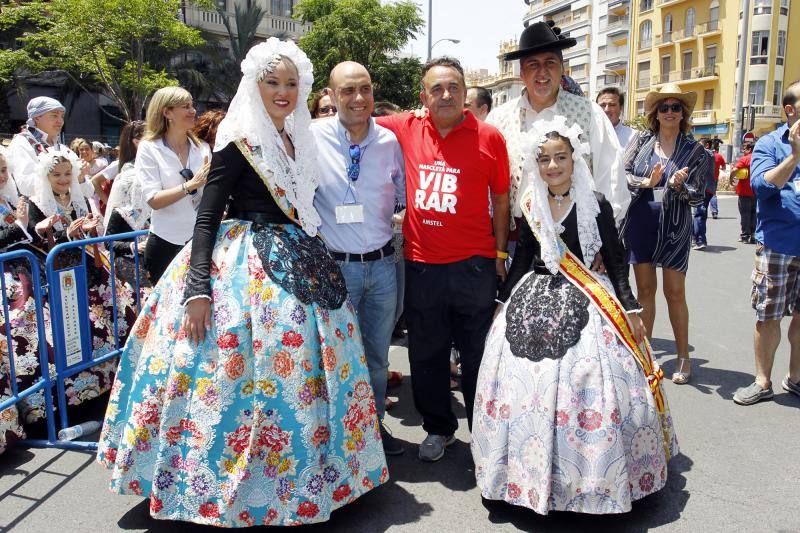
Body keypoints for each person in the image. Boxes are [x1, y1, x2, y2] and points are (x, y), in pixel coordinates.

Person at [96, 38, 388, 526]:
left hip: (299, 258)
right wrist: (197, 289)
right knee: (234, 376)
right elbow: (206, 218)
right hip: (244, 263)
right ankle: (224, 484)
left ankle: (313, 476)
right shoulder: (238, 142)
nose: (283, 91)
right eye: (273, 82)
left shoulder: (302, 138)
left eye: (292, 83)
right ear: (255, 86)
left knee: (303, 375)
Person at [472, 117, 677, 515]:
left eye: (560, 157)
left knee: (593, 383)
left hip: (587, 297)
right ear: (536, 164)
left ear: (574, 159)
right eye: (544, 159)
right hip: (533, 297)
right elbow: (523, 261)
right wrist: (501, 302)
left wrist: (631, 308)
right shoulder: (530, 204)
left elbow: (617, 261)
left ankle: (594, 480)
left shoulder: (595, 202)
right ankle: (524, 477)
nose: (552, 166)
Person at [376, 56, 510, 462]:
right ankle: (439, 429)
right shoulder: (406, 126)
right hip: (423, 266)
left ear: (466, 92)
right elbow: (355, 117)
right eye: (437, 88)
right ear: (424, 97)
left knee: (477, 356)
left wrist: (501, 253)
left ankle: (485, 434)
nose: (446, 94)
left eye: (454, 86)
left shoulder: (489, 137)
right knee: (427, 354)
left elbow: (501, 199)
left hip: (475, 265)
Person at [3, 146, 136, 431]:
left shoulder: (80, 198)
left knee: (113, 319)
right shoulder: (36, 203)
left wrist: (88, 229)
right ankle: (70, 401)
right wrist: (59, 233)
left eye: (67, 173)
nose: (63, 180)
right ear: (45, 176)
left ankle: (109, 386)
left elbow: (95, 237)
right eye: (57, 174)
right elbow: (32, 246)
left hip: (87, 272)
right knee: (63, 337)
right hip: (53, 278)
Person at [311, 61, 406, 456]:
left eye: (364, 89)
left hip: (384, 267)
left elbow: (400, 194)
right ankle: (339, 436)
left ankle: (373, 428)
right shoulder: (311, 138)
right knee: (334, 358)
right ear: (331, 96)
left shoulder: (388, 142)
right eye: (347, 91)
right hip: (335, 268)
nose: (357, 98)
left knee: (377, 357)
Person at [487, 21, 629, 223]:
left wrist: (603, 235)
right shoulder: (498, 119)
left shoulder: (589, 113)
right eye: (533, 64)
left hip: (575, 235)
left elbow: (611, 178)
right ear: (522, 74)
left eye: (550, 63)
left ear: (562, 70)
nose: (542, 72)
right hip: (516, 238)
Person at [620, 83, 709, 384]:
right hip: (642, 223)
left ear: (683, 114)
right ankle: (645, 356)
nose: (670, 112)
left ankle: (683, 358)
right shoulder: (642, 142)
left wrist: (680, 185)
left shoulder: (695, 151)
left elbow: (700, 196)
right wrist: (648, 181)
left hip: (675, 228)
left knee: (675, 293)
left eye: (676, 107)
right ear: (655, 114)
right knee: (645, 292)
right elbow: (624, 174)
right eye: (664, 107)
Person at [733, 81, 800, 405]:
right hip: (778, 245)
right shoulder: (770, 144)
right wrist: (795, 156)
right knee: (768, 315)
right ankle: (762, 381)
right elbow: (761, 185)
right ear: (790, 109)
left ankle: (796, 377)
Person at [136, 86, 211, 284]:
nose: (193, 111)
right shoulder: (149, 148)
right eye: (185, 106)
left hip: (200, 241)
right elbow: (154, 200)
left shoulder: (202, 149)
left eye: (192, 105)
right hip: (164, 243)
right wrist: (190, 185)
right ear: (167, 112)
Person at [6, 96, 85, 197]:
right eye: (54, 116)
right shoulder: (22, 142)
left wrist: (81, 177)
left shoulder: (61, 148)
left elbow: (89, 191)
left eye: (62, 116)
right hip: (34, 211)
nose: (60, 121)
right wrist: (71, 178)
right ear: (37, 118)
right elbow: (27, 186)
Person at [103, 121, 151, 288]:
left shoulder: (156, 209)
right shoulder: (121, 212)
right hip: (128, 261)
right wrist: (134, 246)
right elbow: (108, 242)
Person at [692, 139, 725, 250]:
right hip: (709, 188)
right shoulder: (712, 155)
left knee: (699, 213)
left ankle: (700, 240)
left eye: (699, 144)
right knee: (700, 213)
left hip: (702, 188)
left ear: (706, 145)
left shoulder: (704, 154)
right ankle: (695, 238)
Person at [731, 142, 756, 243]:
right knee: (754, 213)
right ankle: (753, 235)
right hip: (757, 191)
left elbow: (735, 170)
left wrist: (730, 179)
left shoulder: (745, 158)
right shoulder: (761, 158)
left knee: (745, 213)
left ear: (749, 149)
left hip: (744, 192)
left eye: (745, 149)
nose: (744, 151)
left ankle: (745, 236)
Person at [597, 86, 635, 151]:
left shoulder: (633, 137)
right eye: (602, 105)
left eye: (612, 105)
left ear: (621, 108)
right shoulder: (587, 135)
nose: (606, 110)